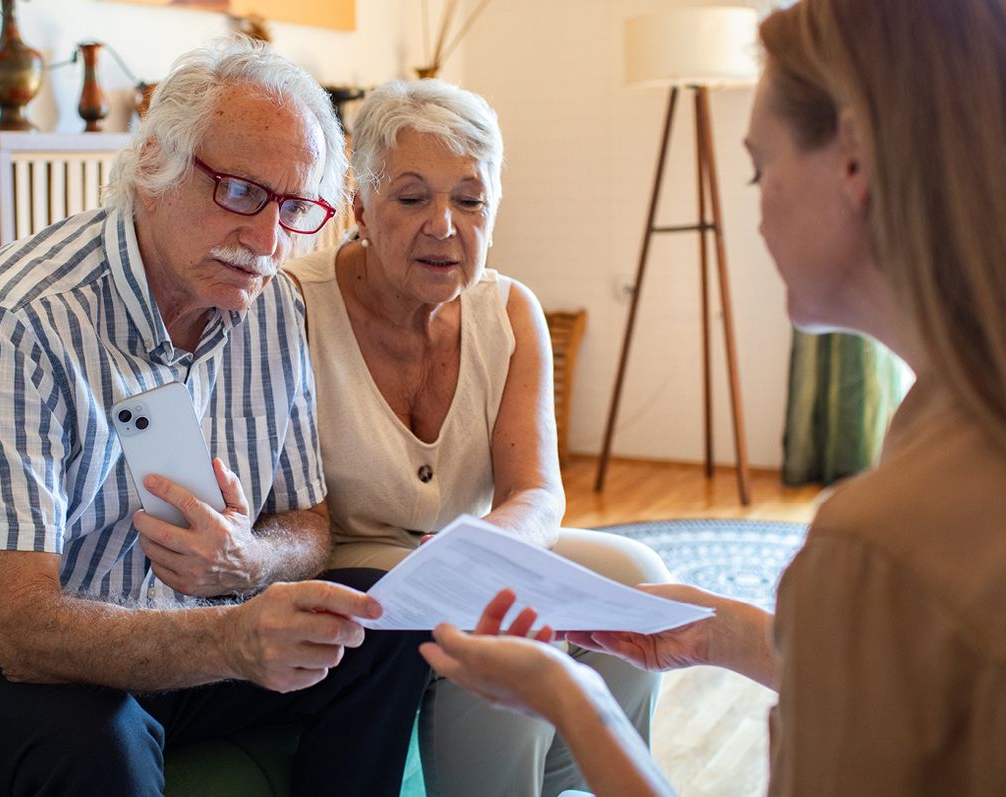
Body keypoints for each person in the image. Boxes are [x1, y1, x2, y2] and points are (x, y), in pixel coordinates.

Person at [0, 37, 431, 797]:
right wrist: (231, 638)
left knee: (383, 621)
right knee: (94, 734)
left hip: (154, 638)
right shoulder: (15, 316)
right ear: (152, 164)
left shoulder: (272, 308)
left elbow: (308, 524)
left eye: (295, 208)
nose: (268, 243)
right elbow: (23, 630)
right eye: (239, 191)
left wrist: (247, 562)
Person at [419, 0, 1006, 794]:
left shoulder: (879, 543)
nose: (755, 211)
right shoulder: (945, 425)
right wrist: (725, 633)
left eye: (760, 168)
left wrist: (574, 698)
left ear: (856, 160)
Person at [285, 79, 671, 796]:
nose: (444, 225)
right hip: (355, 571)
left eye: (469, 199)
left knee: (637, 573)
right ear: (360, 207)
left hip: (475, 548)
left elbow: (536, 493)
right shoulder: (294, 308)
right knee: (497, 628)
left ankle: (581, 782)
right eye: (412, 197)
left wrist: (490, 550)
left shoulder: (511, 311)